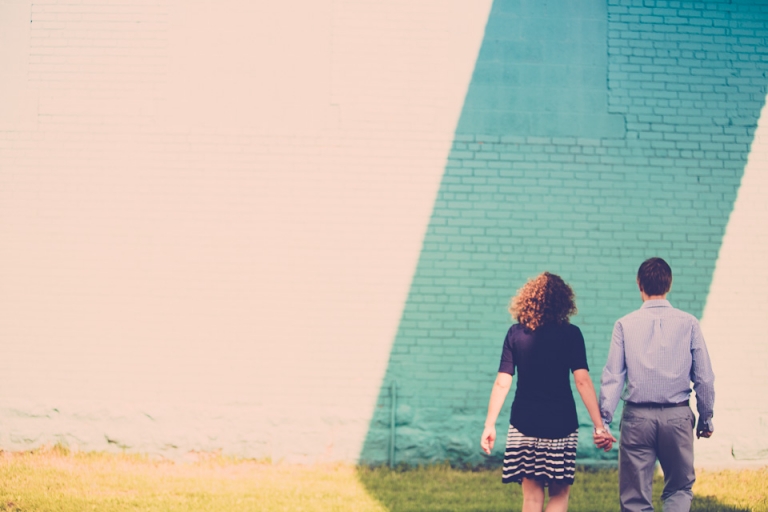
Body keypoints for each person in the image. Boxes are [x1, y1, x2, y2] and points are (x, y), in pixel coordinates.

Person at [481, 272, 609, 512]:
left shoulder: (515, 334)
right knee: (559, 496)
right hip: (561, 424)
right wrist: (599, 425)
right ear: (564, 302)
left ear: (528, 299)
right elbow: (582, 381)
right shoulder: (572, 335)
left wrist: (490, 425)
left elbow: (502, 382)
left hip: (523, 423)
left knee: (531, 498)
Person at [595, 257, 715, 512]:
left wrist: (603, 423)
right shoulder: (689, 323)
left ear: (639, 284)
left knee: (634, 498)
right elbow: (704, 377)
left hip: (637, 419)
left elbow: (613, 377)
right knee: (680, 489)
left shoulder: (624, 325)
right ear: (668, 284)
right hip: (677, 417)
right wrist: (706, 418)